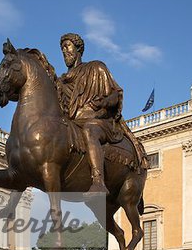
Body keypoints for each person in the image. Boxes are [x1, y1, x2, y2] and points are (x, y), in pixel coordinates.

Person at [56, 33, 147, 195]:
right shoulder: (61, 82)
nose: (64, 51)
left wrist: (105, 102)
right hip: (73, 123)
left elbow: (115, 94)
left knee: (90, 130)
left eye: (67, 46)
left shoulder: (96, 68)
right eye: (62, 48)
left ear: (78, 48)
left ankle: (98, 181)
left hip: (98, 122)